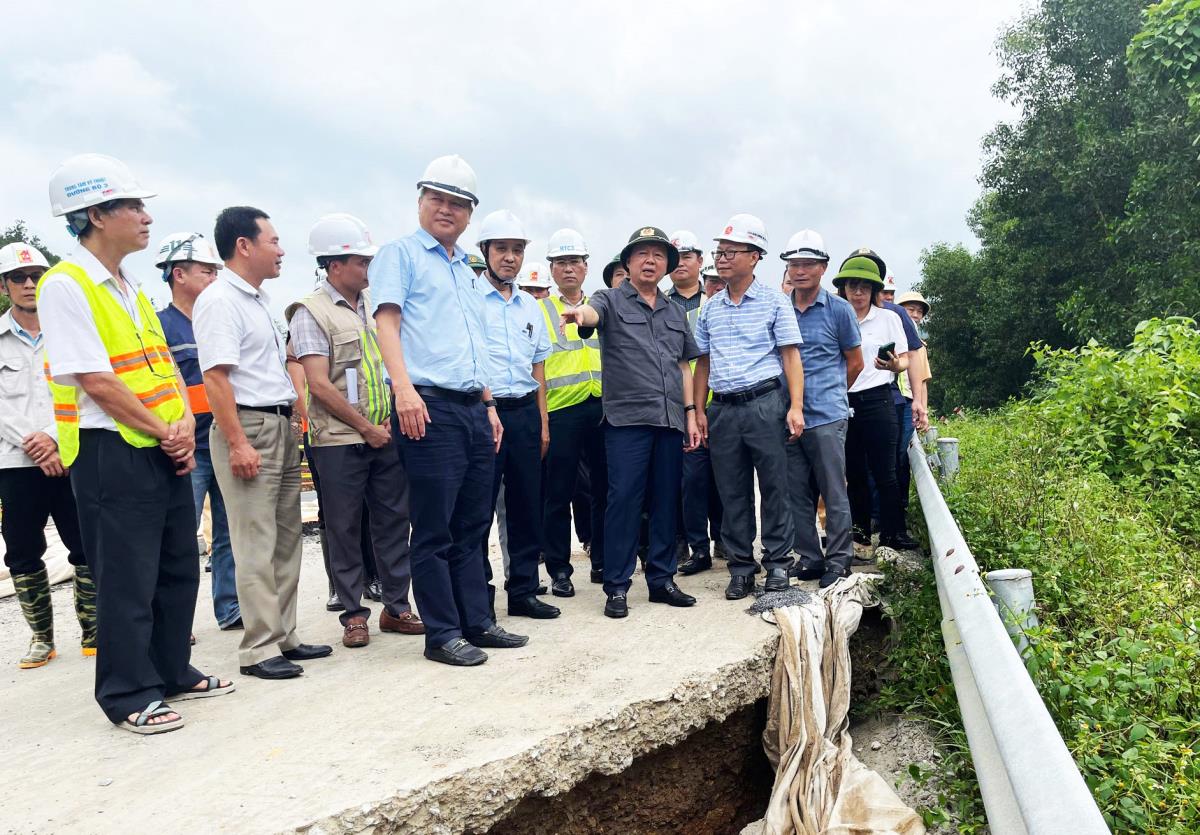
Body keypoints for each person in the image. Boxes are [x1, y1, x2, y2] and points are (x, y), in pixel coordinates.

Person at [38, 154, 233, 734]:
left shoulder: (129, 287)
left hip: (163, 445)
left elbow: (164, 367)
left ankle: (172, 669)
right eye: (133, 206)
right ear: (96, 214)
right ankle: (127, 693)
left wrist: (177, 431)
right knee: (127, 575)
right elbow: (94, 379)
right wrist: (161, 429)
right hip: (111, 452)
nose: (146, 216)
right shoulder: (66, 284)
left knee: (178, 565)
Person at [372, 154, 528, 667]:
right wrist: (403, 389)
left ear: (469, 214)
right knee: (435, 526)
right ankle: (441, 633)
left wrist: (488, 403)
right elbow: (388, 324)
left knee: (472, 523)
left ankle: (476, 621)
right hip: (428, 405)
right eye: (437, 199)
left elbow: (471, 342)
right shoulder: (401, 255)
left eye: (457, 203)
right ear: (420, 202)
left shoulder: (465, 269)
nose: (446, 209)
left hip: (471, 408)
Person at [196, 206, 332, 680]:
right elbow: (216, 379)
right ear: (244, 246)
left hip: (274, 425)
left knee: (286, 537)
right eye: (273, 241)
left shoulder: (256, 301)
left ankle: (284, 634)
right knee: (255, 540)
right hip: (247, 429)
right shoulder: (220, 301)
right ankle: (258, 648)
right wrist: (237, 442)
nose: (282, 250)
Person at [286, 213, 424, 649]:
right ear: (334, 265)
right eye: (360, 261)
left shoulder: (375, 307)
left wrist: (386, 422)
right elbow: (319, 385)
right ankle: (353, 614)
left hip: (385, 433)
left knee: (392, 522)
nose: (368, 268)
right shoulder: (311, 312)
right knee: (344, 528)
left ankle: (397, 606)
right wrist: (367, 428)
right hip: (339, 442)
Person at [562, 227, 701, 618]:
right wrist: (578, 314)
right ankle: (618, 586)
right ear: (628, 262)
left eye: (658, 255)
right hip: (627, 421)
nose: (650, 261)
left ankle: (661, 579)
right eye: (642, 254)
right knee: (624, 501)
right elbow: (591, 315)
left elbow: (683, 365)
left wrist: (690, 414)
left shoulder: (674, 310)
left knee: (664, 500)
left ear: (666, 265)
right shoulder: (609, 299)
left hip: (671, 419)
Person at [692, 214, 804, 600]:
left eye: (730, 252)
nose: (721, 259)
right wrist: (699, 410)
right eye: (719, 252)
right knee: (732, 491)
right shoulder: (711, 308)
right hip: (723, 409)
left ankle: (777, 565)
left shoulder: (775, 301)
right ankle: (741, 567)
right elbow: (702, 363)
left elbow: (790, 357)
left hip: (765, 403)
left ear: (755, 256)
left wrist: (796, 407)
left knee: (775, 487)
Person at [0, 241, 94, 669]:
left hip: (69, 454)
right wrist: (34, 442)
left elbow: (83, 388)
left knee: (85, 543)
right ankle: (42, 638)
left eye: (36, 275)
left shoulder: (68, 332)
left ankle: (94, 628)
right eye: (18, 277)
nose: (29, 284)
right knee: (21, 550)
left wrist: (54, 438)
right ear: (5, 285)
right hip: (16, 462)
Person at [473, 210, 559, 620]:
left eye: (517, 250)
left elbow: (538, 366)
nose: (510, 257)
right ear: (486, 251)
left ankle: (523, 591)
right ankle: (480, 598)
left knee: (526, 506)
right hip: (484, 413)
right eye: (502, 249)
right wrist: (488, 408)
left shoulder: (529, 305)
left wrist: (542, 421)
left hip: (525, 412)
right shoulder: (469, 299)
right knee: (479, 508)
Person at [155, 232, 242, 630]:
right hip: (187, 448)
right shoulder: (160, 328)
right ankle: (176, 624)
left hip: (224, 439)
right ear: (178, 274)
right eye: (206, 271)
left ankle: (230, 609)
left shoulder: (222, 318)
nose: (213, 278)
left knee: (228, 532)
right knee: (178, 537)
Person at [779, 230, 864, 588]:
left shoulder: (839, 310)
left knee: (833, 489)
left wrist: (832, 394)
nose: (800, 271)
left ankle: (839, 559)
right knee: (796, 492)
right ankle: (810, 558)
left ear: (823, 268)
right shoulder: (779, 308)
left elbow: (855, 362)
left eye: (808, 264)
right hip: (787, 415)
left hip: (827, 415)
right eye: (794, 264)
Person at [538, 227, 606, 596]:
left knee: (602, 489)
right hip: (561, 411)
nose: (568, 269)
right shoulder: (539, 311)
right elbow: (536, 369)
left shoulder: (602, 307)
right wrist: (543, 422)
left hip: (601, 408)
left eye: (574, 262)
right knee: (557, 493)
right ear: (551, 268)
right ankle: (560, 570)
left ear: (585, 266)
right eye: (561, 262)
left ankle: (602, 560)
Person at [830, 253, 912, 551]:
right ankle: (859, 532)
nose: (859, 292)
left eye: (865, 286)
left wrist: (892, 366)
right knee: (853, 471)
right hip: (843, 398)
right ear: (844, 288)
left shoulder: (889, 318)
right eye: (853, 286)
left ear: (874, 290)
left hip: (879, 397)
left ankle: (894, 532)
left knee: (885, 471)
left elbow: (904, 359)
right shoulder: (836, 316)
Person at [667, 232, 724, 574]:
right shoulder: (659, 302)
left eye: (688, 256)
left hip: (719, 401)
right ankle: (692, 544)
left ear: (700, 262)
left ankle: (725, 539)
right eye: (676, 256)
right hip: (677, 404)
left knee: (726, 477)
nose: (682, 262)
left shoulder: (714, 301)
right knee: (688, 480)